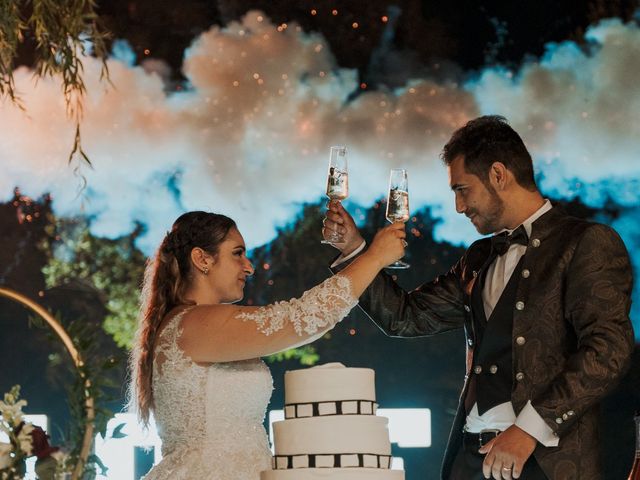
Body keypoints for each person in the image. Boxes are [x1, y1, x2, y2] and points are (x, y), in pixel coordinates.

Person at [323, 115, 634, 480]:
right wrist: (355, 251)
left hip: (545, 462)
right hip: (470, 459)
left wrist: (528, 430)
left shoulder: (585, 242)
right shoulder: (478, 256)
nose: (458, 206)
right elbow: (405, 317)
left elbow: (609, 348)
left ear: (499, 175)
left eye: (462, 189)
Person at [128, 210, 406, 480]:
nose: (248, 267)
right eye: (237, 253)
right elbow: (304, 317)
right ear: (202, 259)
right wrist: (374, 256)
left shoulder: (192, 322)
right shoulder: (195, 323)